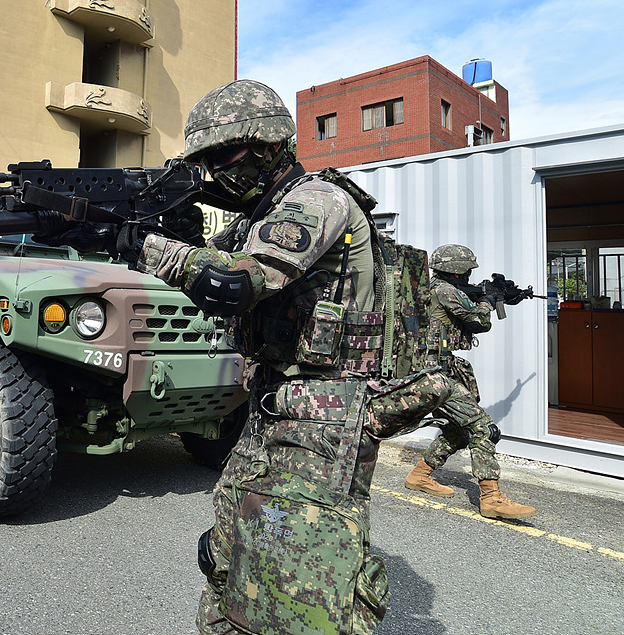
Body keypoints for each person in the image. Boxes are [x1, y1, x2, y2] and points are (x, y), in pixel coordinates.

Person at [121, 79, 464, 635]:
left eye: (221, 155)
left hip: (321, 418)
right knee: (231, 555)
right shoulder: (262, 214)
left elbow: (232, 284)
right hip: (275, 407)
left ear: (270, 145)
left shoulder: (316, 202)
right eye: (205, 161)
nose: (214, 172)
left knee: (297, 595)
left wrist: (143, 246)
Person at [403, 244, 536, 519]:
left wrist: (505, 296)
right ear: (457, 271)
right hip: (435, 372)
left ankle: (420, 475)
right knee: (483, 428)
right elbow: (480, 321)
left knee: (458, 430)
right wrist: (489, 300)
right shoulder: (445, 290)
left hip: (434, 367)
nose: (467, 276)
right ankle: (491, 498)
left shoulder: (435, 288)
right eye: (466, 271)